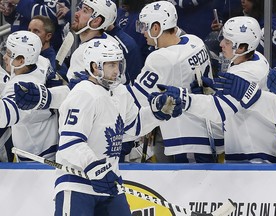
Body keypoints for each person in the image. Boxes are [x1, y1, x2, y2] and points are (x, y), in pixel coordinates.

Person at [52, 38, 182, 215]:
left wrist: (156, 113)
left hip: (109, 183)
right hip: (78, 183)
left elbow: (132, 128)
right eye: (111, 65)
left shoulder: (121, 92)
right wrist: (95, 168)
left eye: (118, 64)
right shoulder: (83, 94)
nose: (117, 71)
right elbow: (70, 144)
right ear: (94, 66)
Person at [165, 16, 276, 163]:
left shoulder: (247, 72)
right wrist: (213, 92)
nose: (221, 43)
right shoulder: (253, 58)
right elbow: (237, 102)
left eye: (227, 41)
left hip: (255, 155)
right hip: (259, 147)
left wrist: (187, 100)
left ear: (242, 47)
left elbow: (219, 111)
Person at [128, 1, 224, 163]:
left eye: (145, 26)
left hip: (188, 140)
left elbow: (135, 101)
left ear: (156, 28)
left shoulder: (161, 58)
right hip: (211, 131)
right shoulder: (195, 42)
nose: (142, 32)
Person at [2, 30, 59, 161]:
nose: (5, 57)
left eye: (10, 54)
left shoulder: (19, 88)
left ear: (22, 60)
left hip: (33, 154)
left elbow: (3, 116)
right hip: (49, 142)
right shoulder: (41, 61)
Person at [0, 0, 71, 52]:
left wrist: (19, 2)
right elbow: (19, 19)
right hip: (18, 47)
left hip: (43, 52)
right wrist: (10, 13)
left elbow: (49, 15)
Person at [28, 15, 69, 83]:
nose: (30, 35)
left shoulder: (56, 66)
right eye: (29, 30)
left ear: (48, 36)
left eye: (36, 31)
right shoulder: (26, 58)